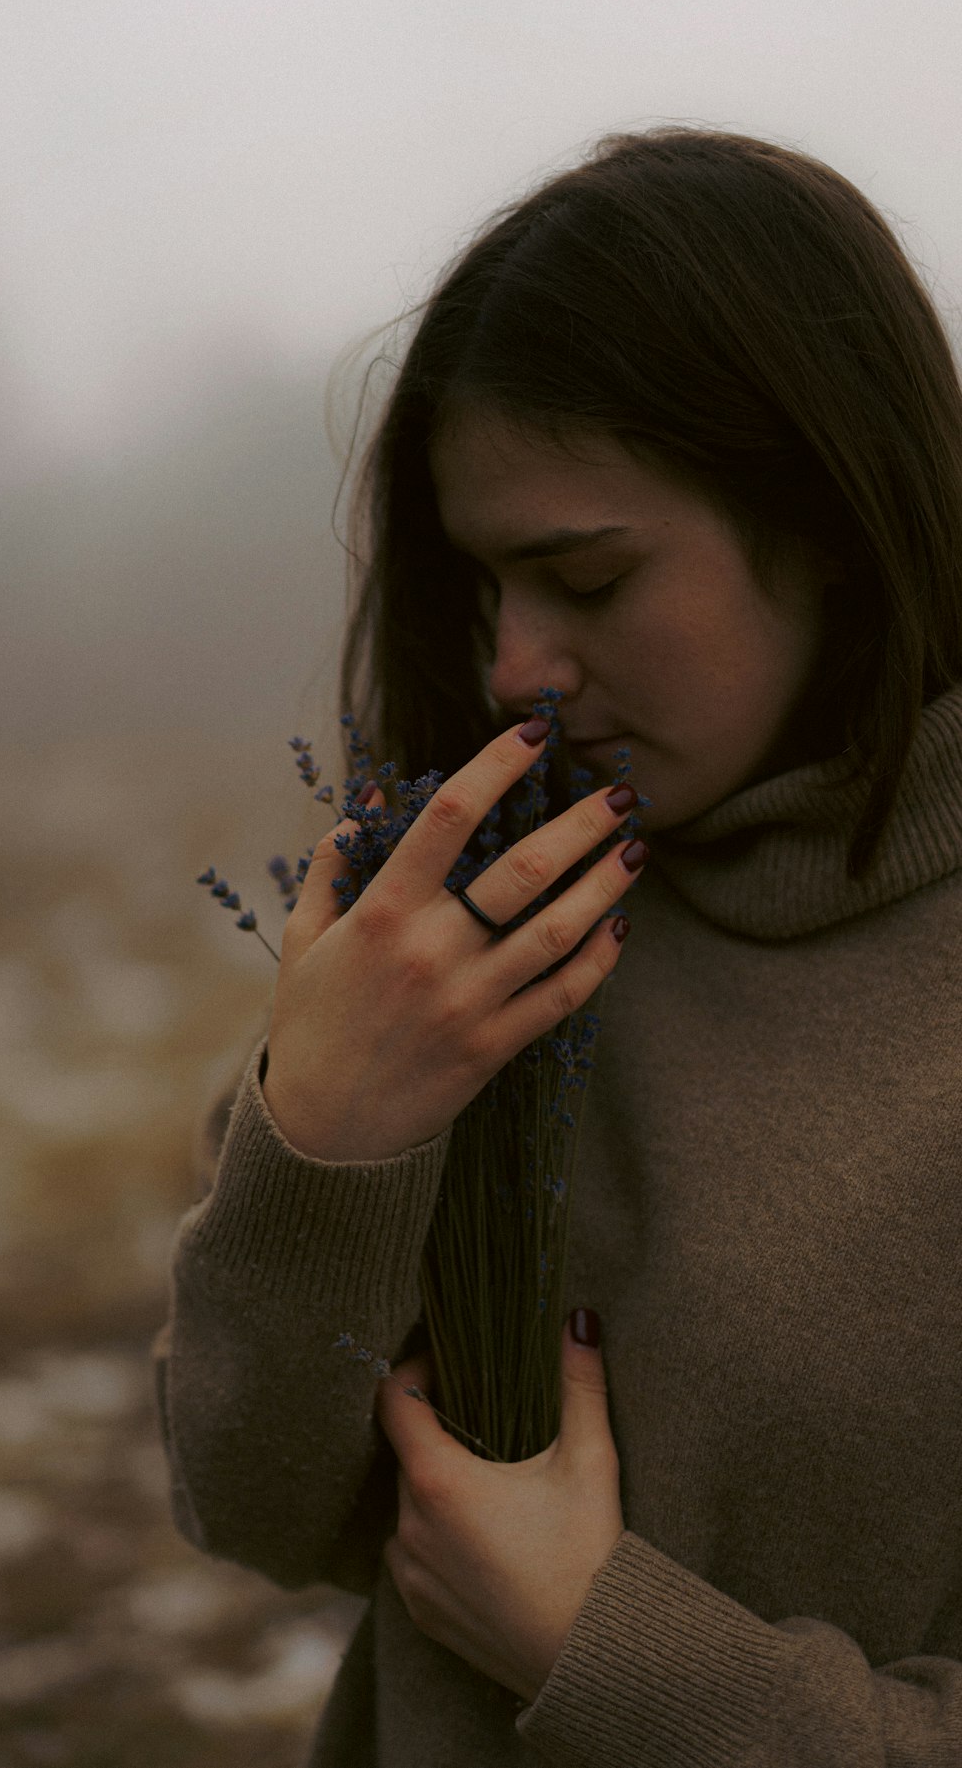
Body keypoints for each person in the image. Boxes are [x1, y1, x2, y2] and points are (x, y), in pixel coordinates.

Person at [155, 126, 962, 1764]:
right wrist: (329, 1133)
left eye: (586, 574)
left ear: (822, 515)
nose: (522, 661)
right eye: (483, 584)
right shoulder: (460, 932)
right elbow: (251, 1501)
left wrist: (606, 1653)